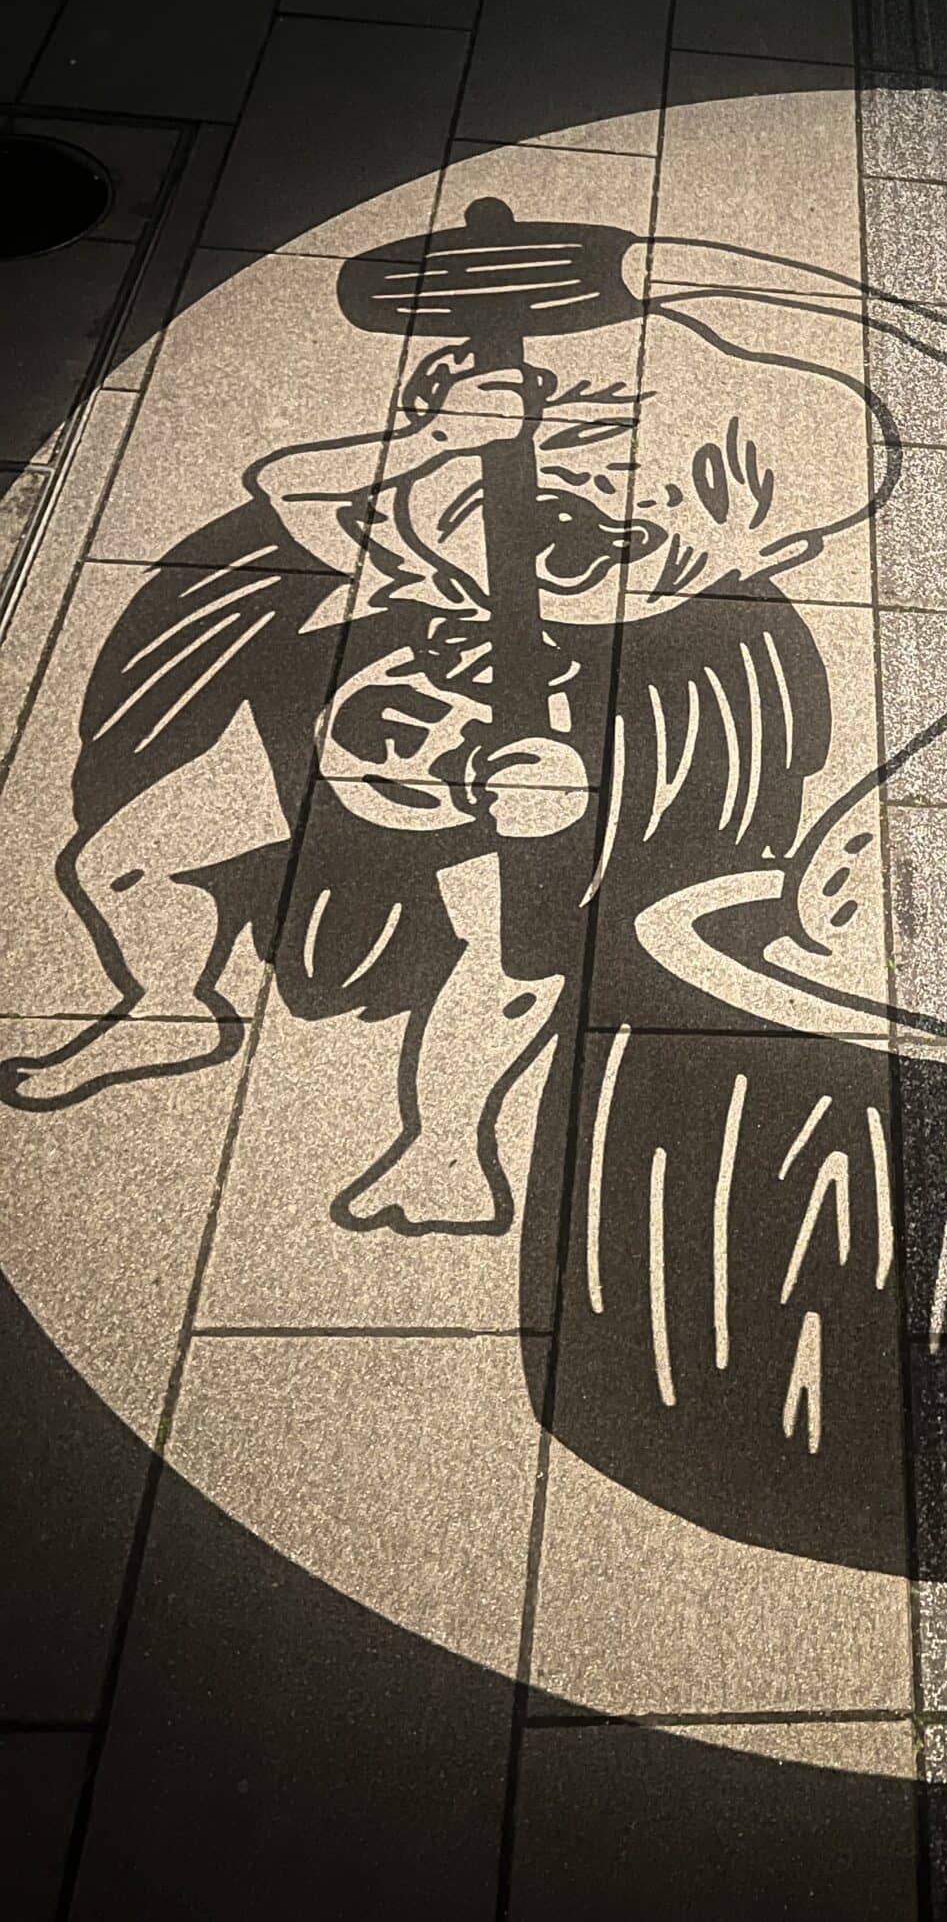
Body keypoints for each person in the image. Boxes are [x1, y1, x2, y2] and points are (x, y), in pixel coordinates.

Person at [0, 312, 860, 1236]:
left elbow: (609, 764)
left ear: (754, 561)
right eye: (573, 464)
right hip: (325, 741)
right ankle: (166, 1001)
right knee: (121, 864)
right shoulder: (418, 550)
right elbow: (289, 491)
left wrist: (550, 795)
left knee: (509, 962)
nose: (584, 509)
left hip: (484, 793)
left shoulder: (650, 651)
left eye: (655, 516)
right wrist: (436, 437)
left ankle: (446, 1147)